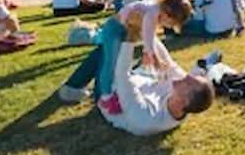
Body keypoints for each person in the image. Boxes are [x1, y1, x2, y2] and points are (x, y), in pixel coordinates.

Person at [61, 30, 213, 135]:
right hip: (138, 78)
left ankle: (71, 89)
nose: (185, 76)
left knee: (108, 47)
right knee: (137, 52)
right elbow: (169, 63)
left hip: (110, 94)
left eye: (188, 82)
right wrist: (148, 32)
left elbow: (122, 77)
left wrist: (130, 38)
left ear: (183, 101)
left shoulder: (146, 119)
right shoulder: (180, 98)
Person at [96, 0, 194, 114]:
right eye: (171, 23)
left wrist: (156, 58)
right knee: (111, 63)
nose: (169, 27)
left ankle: (113, 90)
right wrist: (152, 57)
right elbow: (148, 38)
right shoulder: (152, 13)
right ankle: (105, 98)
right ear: (167, 14)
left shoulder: (156, 12)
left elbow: (150, 39)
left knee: (118, 62)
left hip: (124, 30)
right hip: (114, 29)